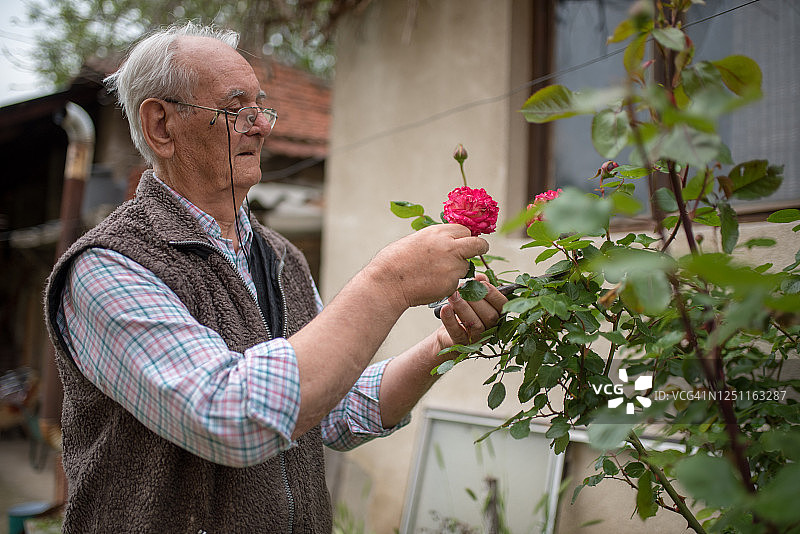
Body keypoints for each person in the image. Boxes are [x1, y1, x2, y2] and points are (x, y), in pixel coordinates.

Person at [43, 22, 506, 533]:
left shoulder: (280, 257)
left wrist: (444, 343)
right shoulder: (106, 268)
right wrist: (390, 281)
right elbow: (232, 416)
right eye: (236, 108)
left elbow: (333, 407)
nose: (261, 124)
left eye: (261, 106)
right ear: (161, 126)